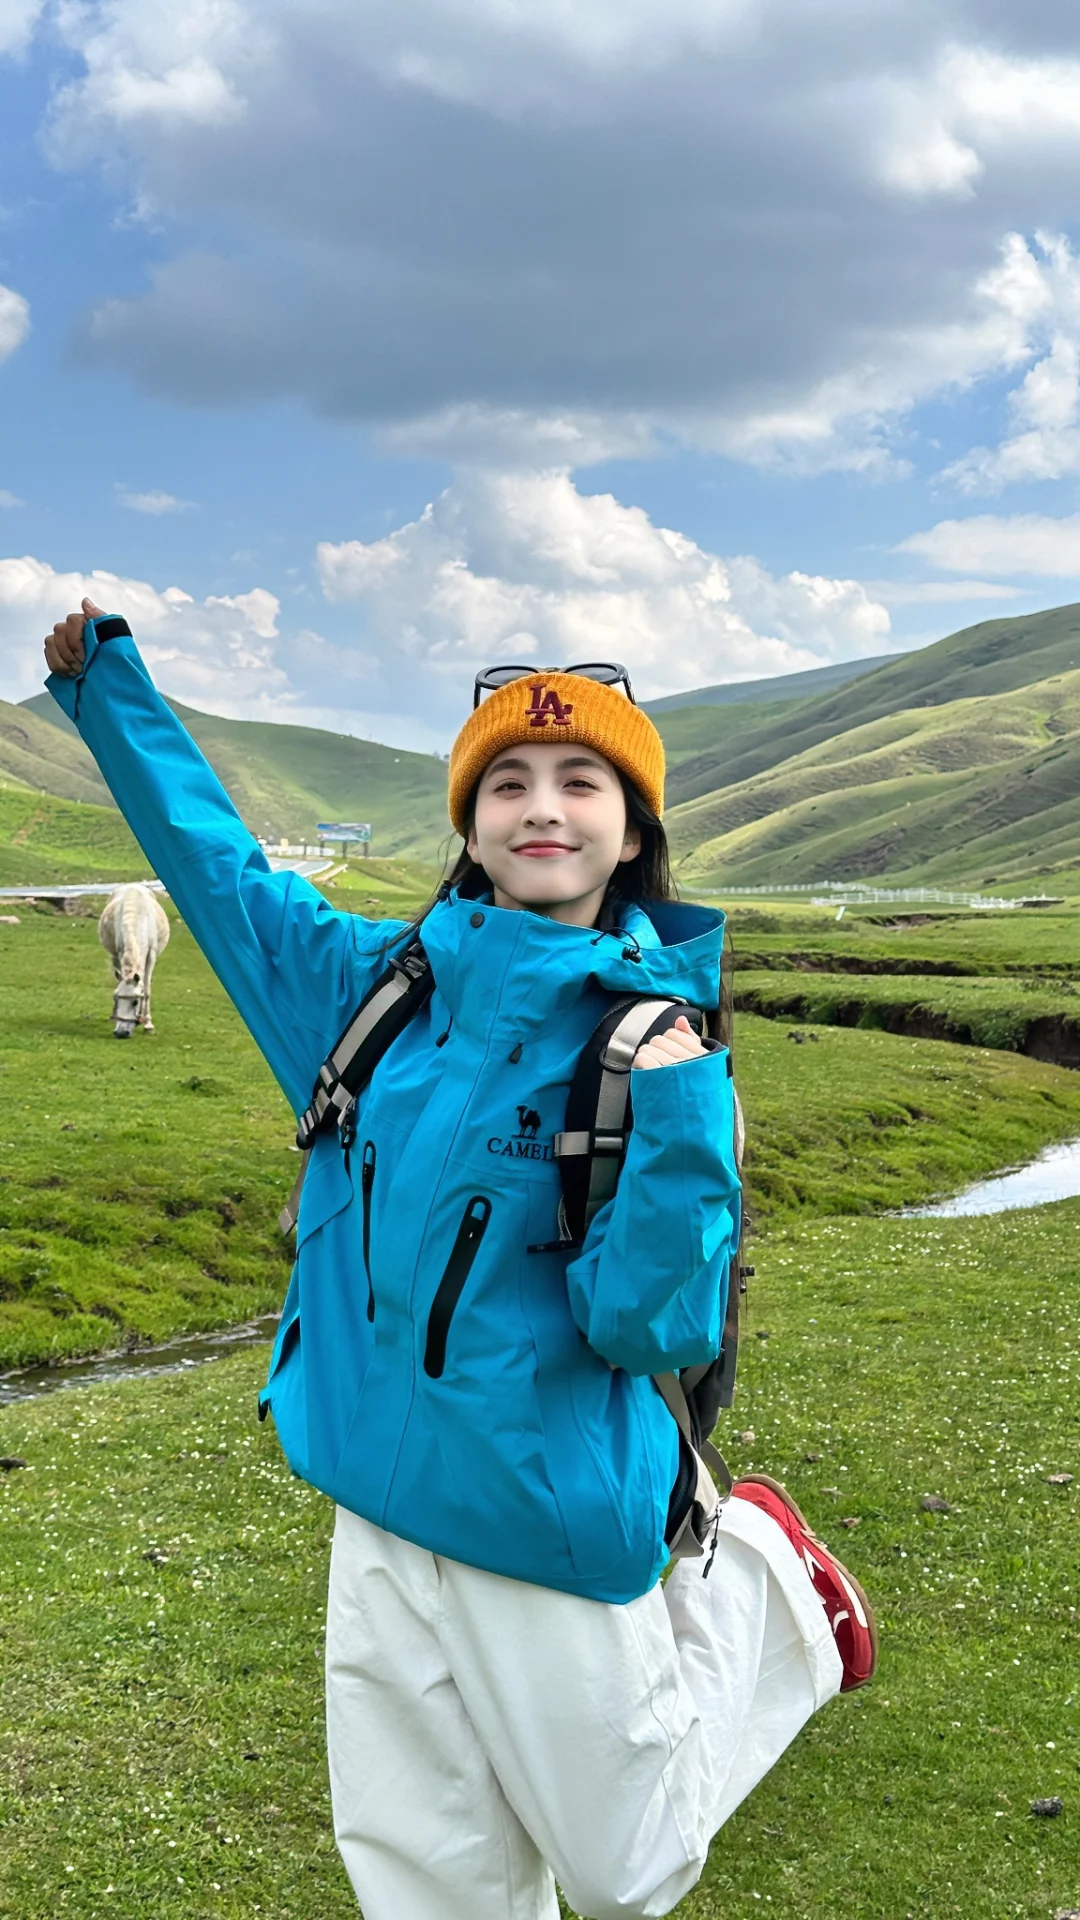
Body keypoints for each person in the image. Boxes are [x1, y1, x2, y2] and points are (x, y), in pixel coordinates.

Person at [44, 602, 876, 1920]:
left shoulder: (654, 1049)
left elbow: (651, 1330)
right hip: (373, 1496)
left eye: (582, 780)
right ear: (471, 824)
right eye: (508, 781)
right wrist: (111, 699)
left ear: (633, 827)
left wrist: (678, 1116)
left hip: (541, 1508)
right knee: (427, 1878)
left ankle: (773, 1589)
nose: (542, 806)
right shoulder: (374, 996)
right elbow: (218, 873)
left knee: (629, 1869)